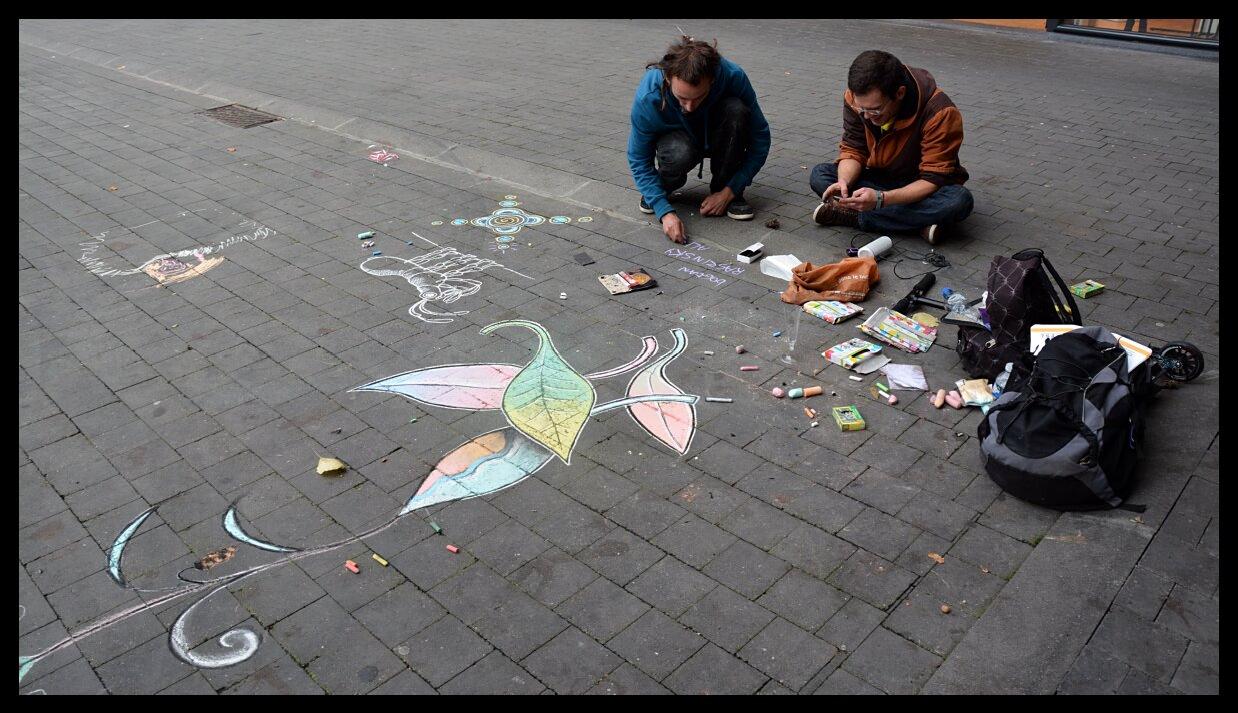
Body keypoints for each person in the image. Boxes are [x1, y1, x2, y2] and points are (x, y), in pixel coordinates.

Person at [809, 50, 973, 245]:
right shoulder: (856, 100)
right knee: (820, 175)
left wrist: (880, 200)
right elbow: (853, 149)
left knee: (959, 201)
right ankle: (918, 224)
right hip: (881, 179)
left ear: (899, 93)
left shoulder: (940, 112)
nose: (867, 116)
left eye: (876, 110)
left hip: (923, 186)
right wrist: (844, 181)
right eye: (862, 110)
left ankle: (852, 216)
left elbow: (932, 179)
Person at [628, 36, 772, 244]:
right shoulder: (649, 96)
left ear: (712, 81)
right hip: (677, 141)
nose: (689, 107)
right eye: (682, 99)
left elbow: (760, 137)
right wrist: (663, 211)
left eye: (698, 98)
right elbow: (638, 158)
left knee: (737, 110)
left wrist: (730, 191)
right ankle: (661, 188)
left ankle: (724, 187)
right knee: (679, 151)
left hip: (719, 132)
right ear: (668, 79)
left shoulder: (733, 77)